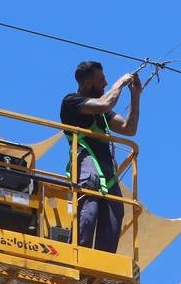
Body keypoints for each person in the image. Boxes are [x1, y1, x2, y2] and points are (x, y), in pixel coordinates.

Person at [60, 60, 140, 252]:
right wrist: (119, 84)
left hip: (107, 173)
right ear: (87, 84)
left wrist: (135, 97)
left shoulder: (103, 114)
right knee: (89, 208)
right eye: (101, 79)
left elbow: (129, 129)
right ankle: (78, 257)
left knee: (115, 213)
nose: (105, 83)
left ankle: (101, 271)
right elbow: (104, 103)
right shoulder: (71, 102)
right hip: (87, 164)